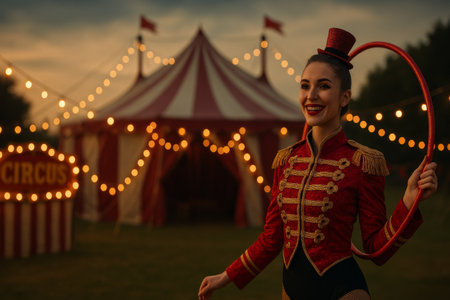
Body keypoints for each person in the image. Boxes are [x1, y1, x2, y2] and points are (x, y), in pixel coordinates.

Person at [198, 28, 438, 300]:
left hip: (343, 288)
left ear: (344, 98)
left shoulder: (363, 162)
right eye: (305, 86)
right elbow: (271, 240)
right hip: (291, 289)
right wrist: (225, 276)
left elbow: (374, 249)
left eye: (323, 86)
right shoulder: (285, 161)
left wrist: (408, 200)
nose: (311, 95)